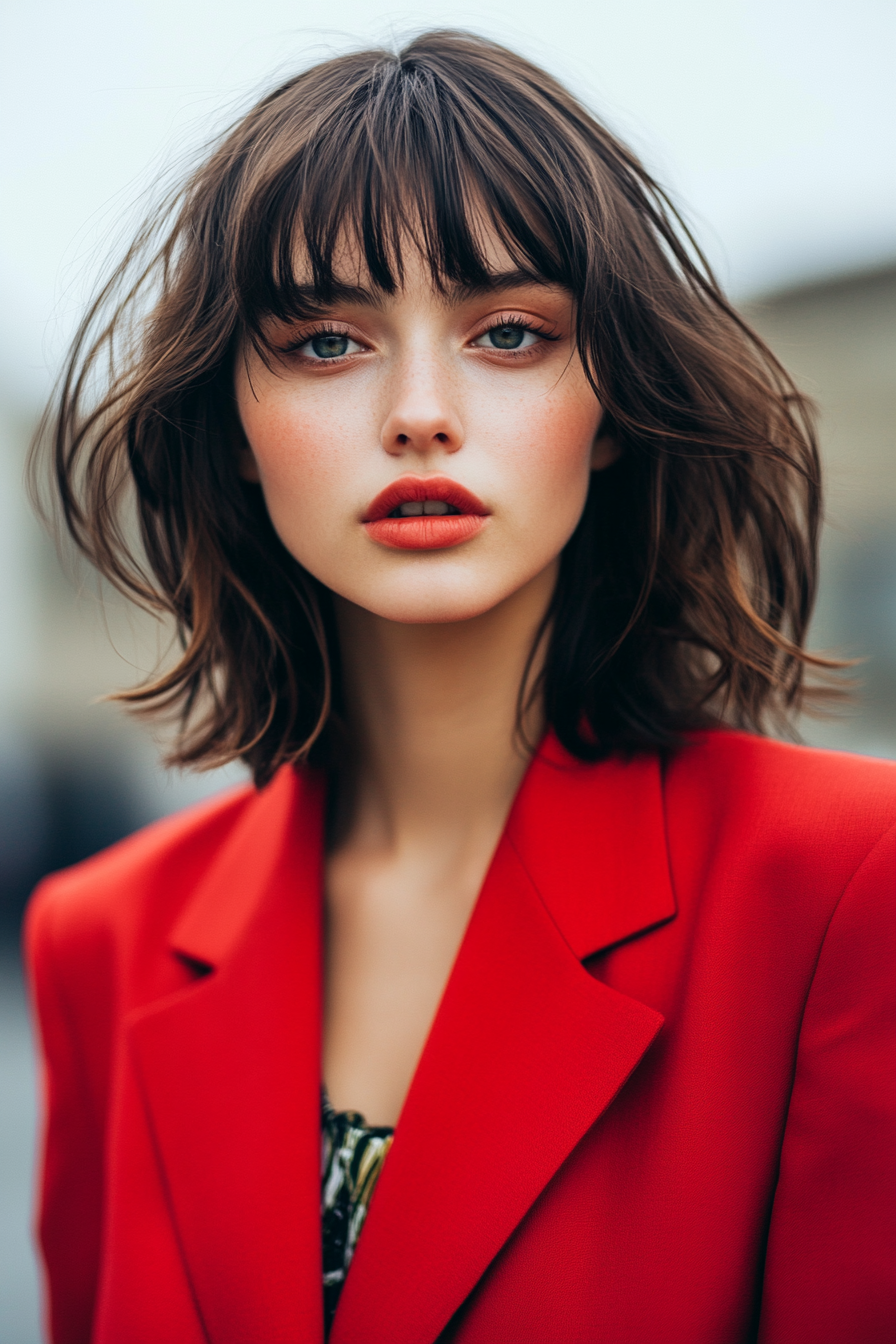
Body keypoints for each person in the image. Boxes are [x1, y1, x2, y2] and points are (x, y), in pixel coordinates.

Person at [25, 29, 895, 1344]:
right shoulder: (102, 941)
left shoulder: (843, 883)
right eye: (325, 343)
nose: (421, 410)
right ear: (235, 432)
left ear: (609, 407)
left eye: (507, 333)